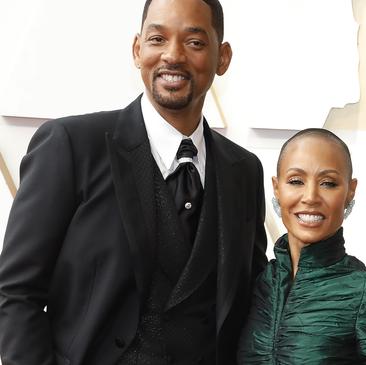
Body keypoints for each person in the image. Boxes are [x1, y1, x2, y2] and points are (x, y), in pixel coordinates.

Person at [0, 0, 267, 364]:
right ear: (137, 50)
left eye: (194, 42)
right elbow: (16, 292)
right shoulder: (71, 146)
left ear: (222, 58)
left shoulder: (243, 170)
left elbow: (250, 299)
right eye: (157, 39)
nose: (172, 56)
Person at [238, 128, 366, 364]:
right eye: (296, 181)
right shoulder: (258, 284)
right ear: (277, 188)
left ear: (350, 191)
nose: (310, 197)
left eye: (328, 183)